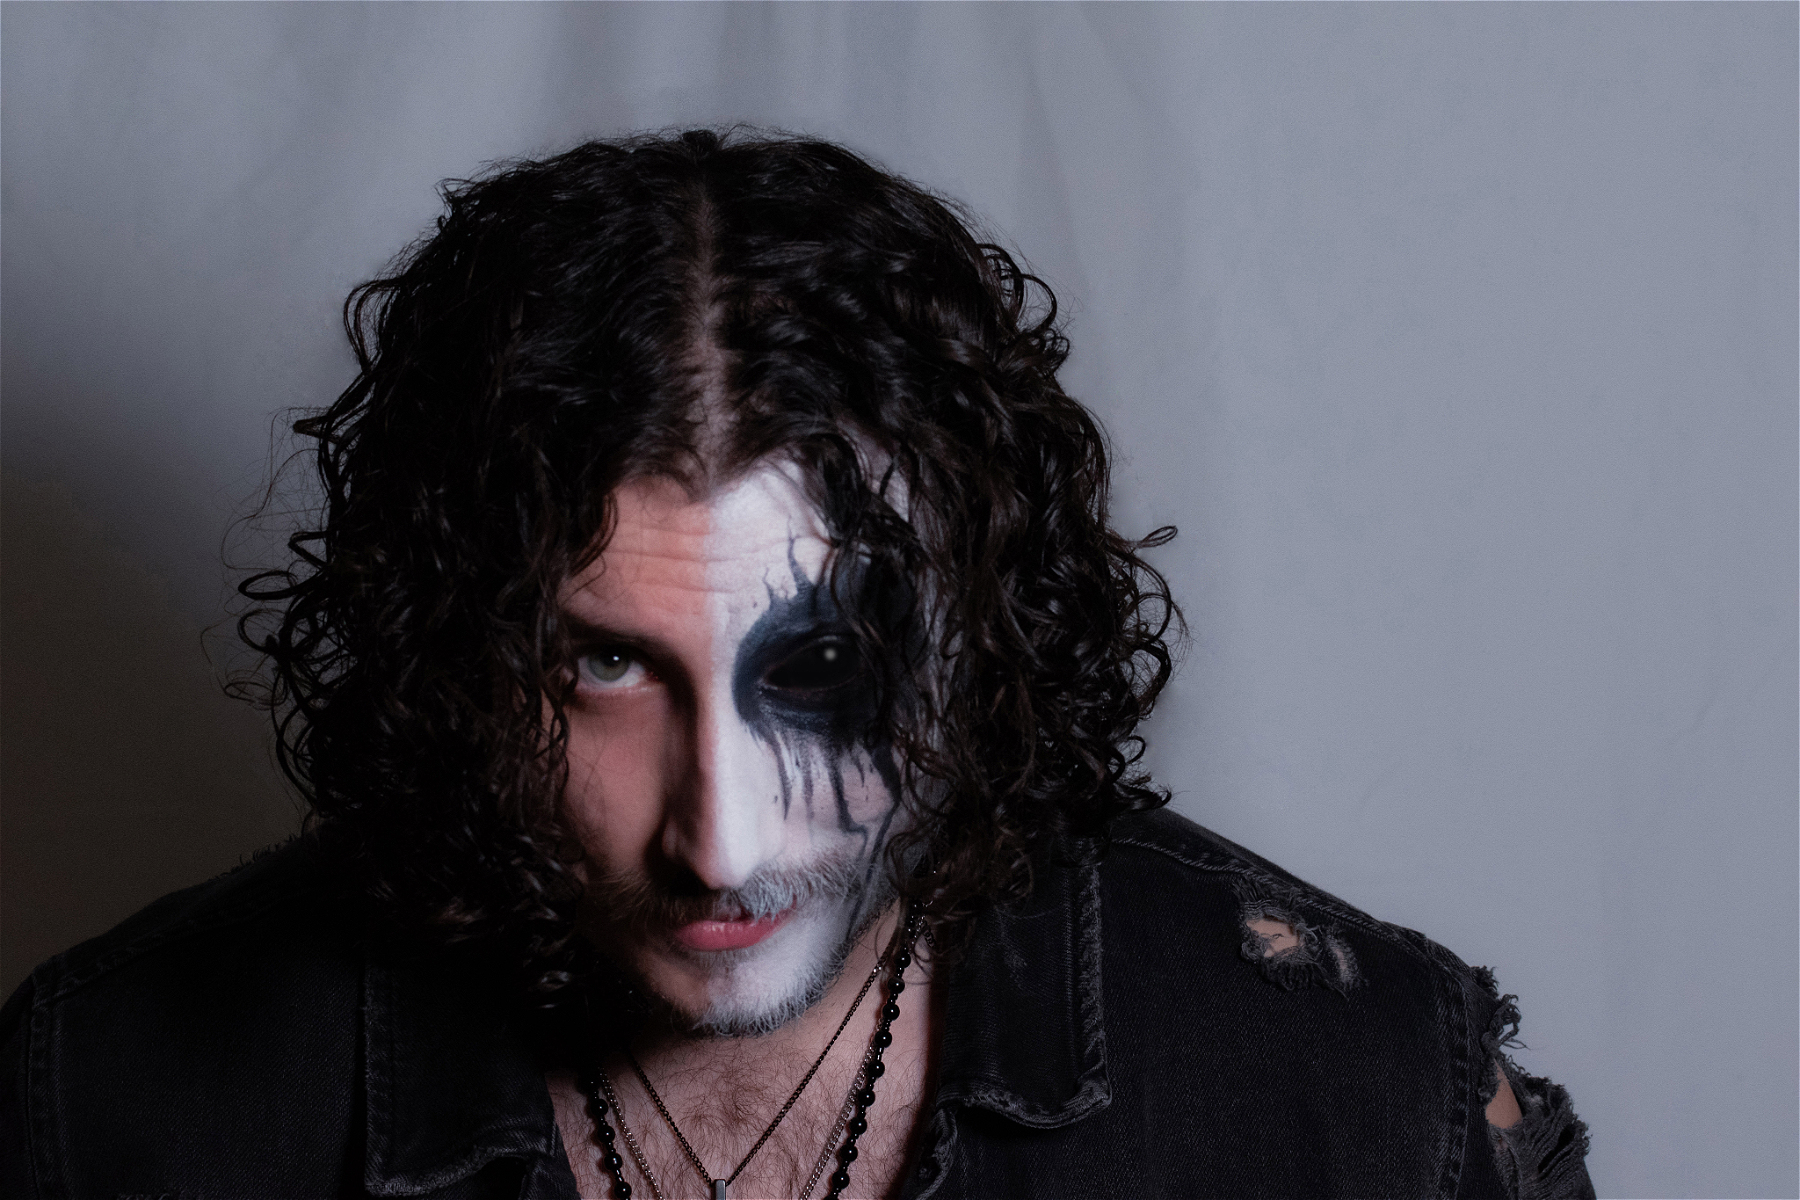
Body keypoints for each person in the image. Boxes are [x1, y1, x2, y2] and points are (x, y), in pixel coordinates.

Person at [0, 129, 1592, 1200]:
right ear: (457, 660)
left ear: (984, 635)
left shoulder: (1358, 1091)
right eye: (603, 668)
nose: (721, 839)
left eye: (824, 663)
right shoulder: (111, 1106)